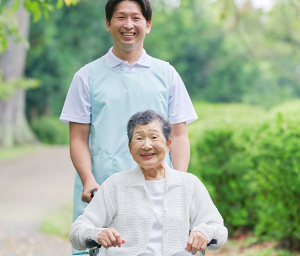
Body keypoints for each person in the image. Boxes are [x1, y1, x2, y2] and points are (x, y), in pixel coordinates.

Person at [60, 0, 198, 254]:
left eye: (136, 18)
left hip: (157, 193)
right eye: (120, 17)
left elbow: (178, 135)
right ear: (108, 24)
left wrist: (179, 186)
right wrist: (88, 180)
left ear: (148, 25)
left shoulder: (167, 75)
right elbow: (78, 138)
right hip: (101, 193)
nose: (128, 25)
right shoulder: (86, 77)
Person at [69, 110, 228, 256]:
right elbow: (77, 231)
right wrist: (97, 233)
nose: (146, 145)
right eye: (139, 138)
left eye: (154, 137)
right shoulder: (115, 185)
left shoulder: (189, 184)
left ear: (167, 145)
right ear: (130, 149)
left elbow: (219, 231)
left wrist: (204, 231)